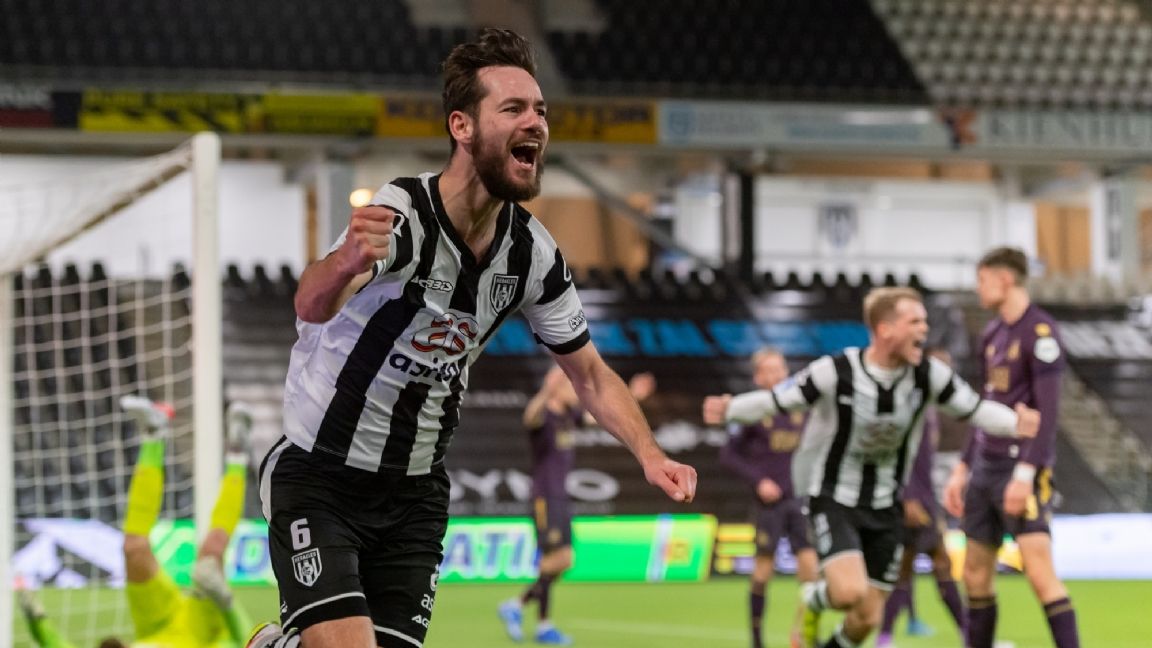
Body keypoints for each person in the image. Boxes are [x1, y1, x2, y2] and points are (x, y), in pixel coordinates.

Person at [250, 28, 696, 648]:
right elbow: (310, 304)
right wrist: (346, 260)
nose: (535, 122)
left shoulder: (533, 255)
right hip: (320, 474)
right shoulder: (406, 213)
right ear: (462, 126)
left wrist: (649, 453)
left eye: (540, 110)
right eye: (513, 108)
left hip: (415, 494)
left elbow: (590, 375)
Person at [702, 287, 1038, 648]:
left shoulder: (928, 375)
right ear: (884, 329)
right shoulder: (836, 371)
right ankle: (814, 598)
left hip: (886, 506)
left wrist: (1014, 423)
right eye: (915, 321)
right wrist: (731, 409)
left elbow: (974, 409)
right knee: (848, 593)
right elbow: (778, 401)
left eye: (924, 321)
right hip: (834, 499)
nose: (924, 329)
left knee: (867, 619)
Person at [18, 396, 255, 648]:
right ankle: (237, 452)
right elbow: (246, 641)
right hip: (198, 635)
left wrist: (37, 620)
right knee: (212, 551)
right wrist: (226, 601)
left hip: (153, 624)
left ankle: (154, 434)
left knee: (133, 548)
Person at [943, 247, 1081, 648]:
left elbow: (1048, 414)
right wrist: (962, 468)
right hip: (984, 468)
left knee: (1038, 573)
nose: (978, 288)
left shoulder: (1041, 333)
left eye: (982, 279)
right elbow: (983, 410)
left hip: (1020, 468)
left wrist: (1024, 475)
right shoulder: (991, 334)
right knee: (974, 574)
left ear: (1004, 279)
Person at [716, 347, 818, 648]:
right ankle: (757, 640)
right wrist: (759, 481)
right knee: (762, 571)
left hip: (799, 499)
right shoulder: (752, 410)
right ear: (758, 377)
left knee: (811, 572)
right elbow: (728, 455)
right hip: (769, 505)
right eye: (768, 370)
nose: (775, 375)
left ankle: (804, 634)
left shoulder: (802, 408)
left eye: (779, 369)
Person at [876, 348, 967, 647]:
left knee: (906, 568)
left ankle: (885, 637)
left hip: (921, 497)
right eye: (940, 369)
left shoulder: (926, 406)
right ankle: (970, 635)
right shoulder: (909, 404)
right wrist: (908, 497)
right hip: (911, 500)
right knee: (936, 564)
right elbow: (898, 455)